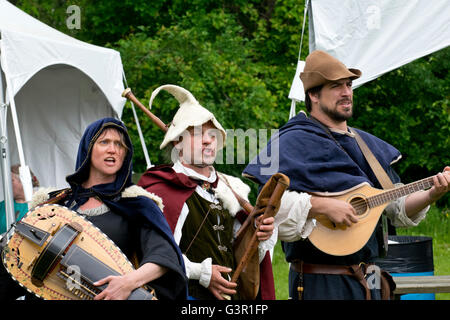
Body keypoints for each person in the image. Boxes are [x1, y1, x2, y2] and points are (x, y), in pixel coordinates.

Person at [243, 50, 450, 300]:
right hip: (320, 280)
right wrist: (320, 205)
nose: (346, 92)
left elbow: (395, 206)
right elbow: (267, 207)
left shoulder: (369, 146)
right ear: (313, 95)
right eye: (336, 86)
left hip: (371, 275)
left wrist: (432, 193)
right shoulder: (291, 142)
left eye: (349, 84)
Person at [138, 84, 277, 300]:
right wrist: (202, 274)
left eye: (212, 135)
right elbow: (158, 255)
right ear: (178, 142)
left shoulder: (232, 189)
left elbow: (245, 255)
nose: (207, 140)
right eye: (197, 134)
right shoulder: (162, 190)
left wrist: (260, 234)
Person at [26, 117, 187, 300]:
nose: (113, 149)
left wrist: (128, 282)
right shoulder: (56, 204)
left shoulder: (138, 204)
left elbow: (165, 256)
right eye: (104, 142)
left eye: (119, 144)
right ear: (88, 149)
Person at [0, 165, 40, 300]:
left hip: (31, 264)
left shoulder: (39, 203)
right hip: (4, 263)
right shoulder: (3, 206)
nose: (7, 184)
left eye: (11, 180)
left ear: (23, 180)